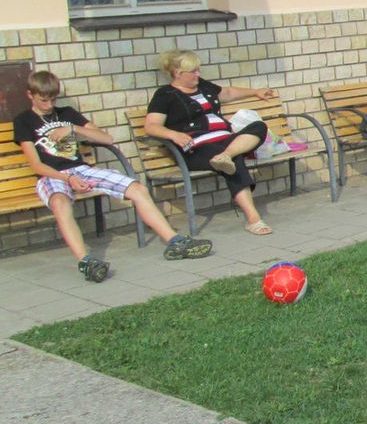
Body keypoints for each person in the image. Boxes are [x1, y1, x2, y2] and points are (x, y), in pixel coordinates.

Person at [13, 70, 213, 282]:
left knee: (138, 189)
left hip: (81, 169)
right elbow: (37, 165)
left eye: (53, 100)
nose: (49, 105)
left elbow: (106, 139)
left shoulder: (67, 114)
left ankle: (175, 242)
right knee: (60, 203)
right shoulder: (24, 121)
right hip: (52, 175)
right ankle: (87, 262)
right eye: (43, 100)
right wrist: (68, 179)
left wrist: (73, 129)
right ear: (30, 94)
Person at [144, 50, 277, 234]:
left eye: (198, 69)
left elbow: (227, 92)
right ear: (178, 73)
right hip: (196, 148)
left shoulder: (203, 86)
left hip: (226, 142)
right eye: (193, 71)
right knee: (234, 161)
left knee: (258, 127)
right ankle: (253, 218)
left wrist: (255, 92)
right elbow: (151, 126)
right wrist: (173, 135)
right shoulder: (165, 94)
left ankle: (226, 155)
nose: (198, 74)